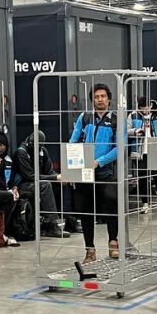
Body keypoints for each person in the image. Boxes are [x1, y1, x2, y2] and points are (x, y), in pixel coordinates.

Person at [69, 83, 121, 264]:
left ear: (109, 99)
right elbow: (73, 141)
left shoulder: (116, 119)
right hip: (84, 171)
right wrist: (73, 168)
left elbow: (119, 149)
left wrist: (98, 162)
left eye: (103, 96)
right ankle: (89, 250)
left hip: (104, 170)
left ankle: (113, 243)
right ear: (93, 100)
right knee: (86, 211)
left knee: (112, 206)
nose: (100, 100)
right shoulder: (84, 118)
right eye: (97, 97)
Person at [16, 130, 70, 238]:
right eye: (36, 146)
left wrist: (60, 177)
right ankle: (52, 225)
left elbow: (49, 171)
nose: (38, 148)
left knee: (63, 183)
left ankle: (70, 220)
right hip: (23, 185)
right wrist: (54, 177)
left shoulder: (43, 151)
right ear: (30, 143)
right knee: (45, 185)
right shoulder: (21, 152)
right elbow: (30, 176)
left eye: (40, 146)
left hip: (38, 182)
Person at [128, 97, 157, 209]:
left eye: (146, 107)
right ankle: (145, 203)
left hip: (156, 151)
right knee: (143, 178)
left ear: (151, 106)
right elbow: (125, 130)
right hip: (140, 152)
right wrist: (135, 131)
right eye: (142, 108)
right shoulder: (133, 116)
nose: (145, 110)